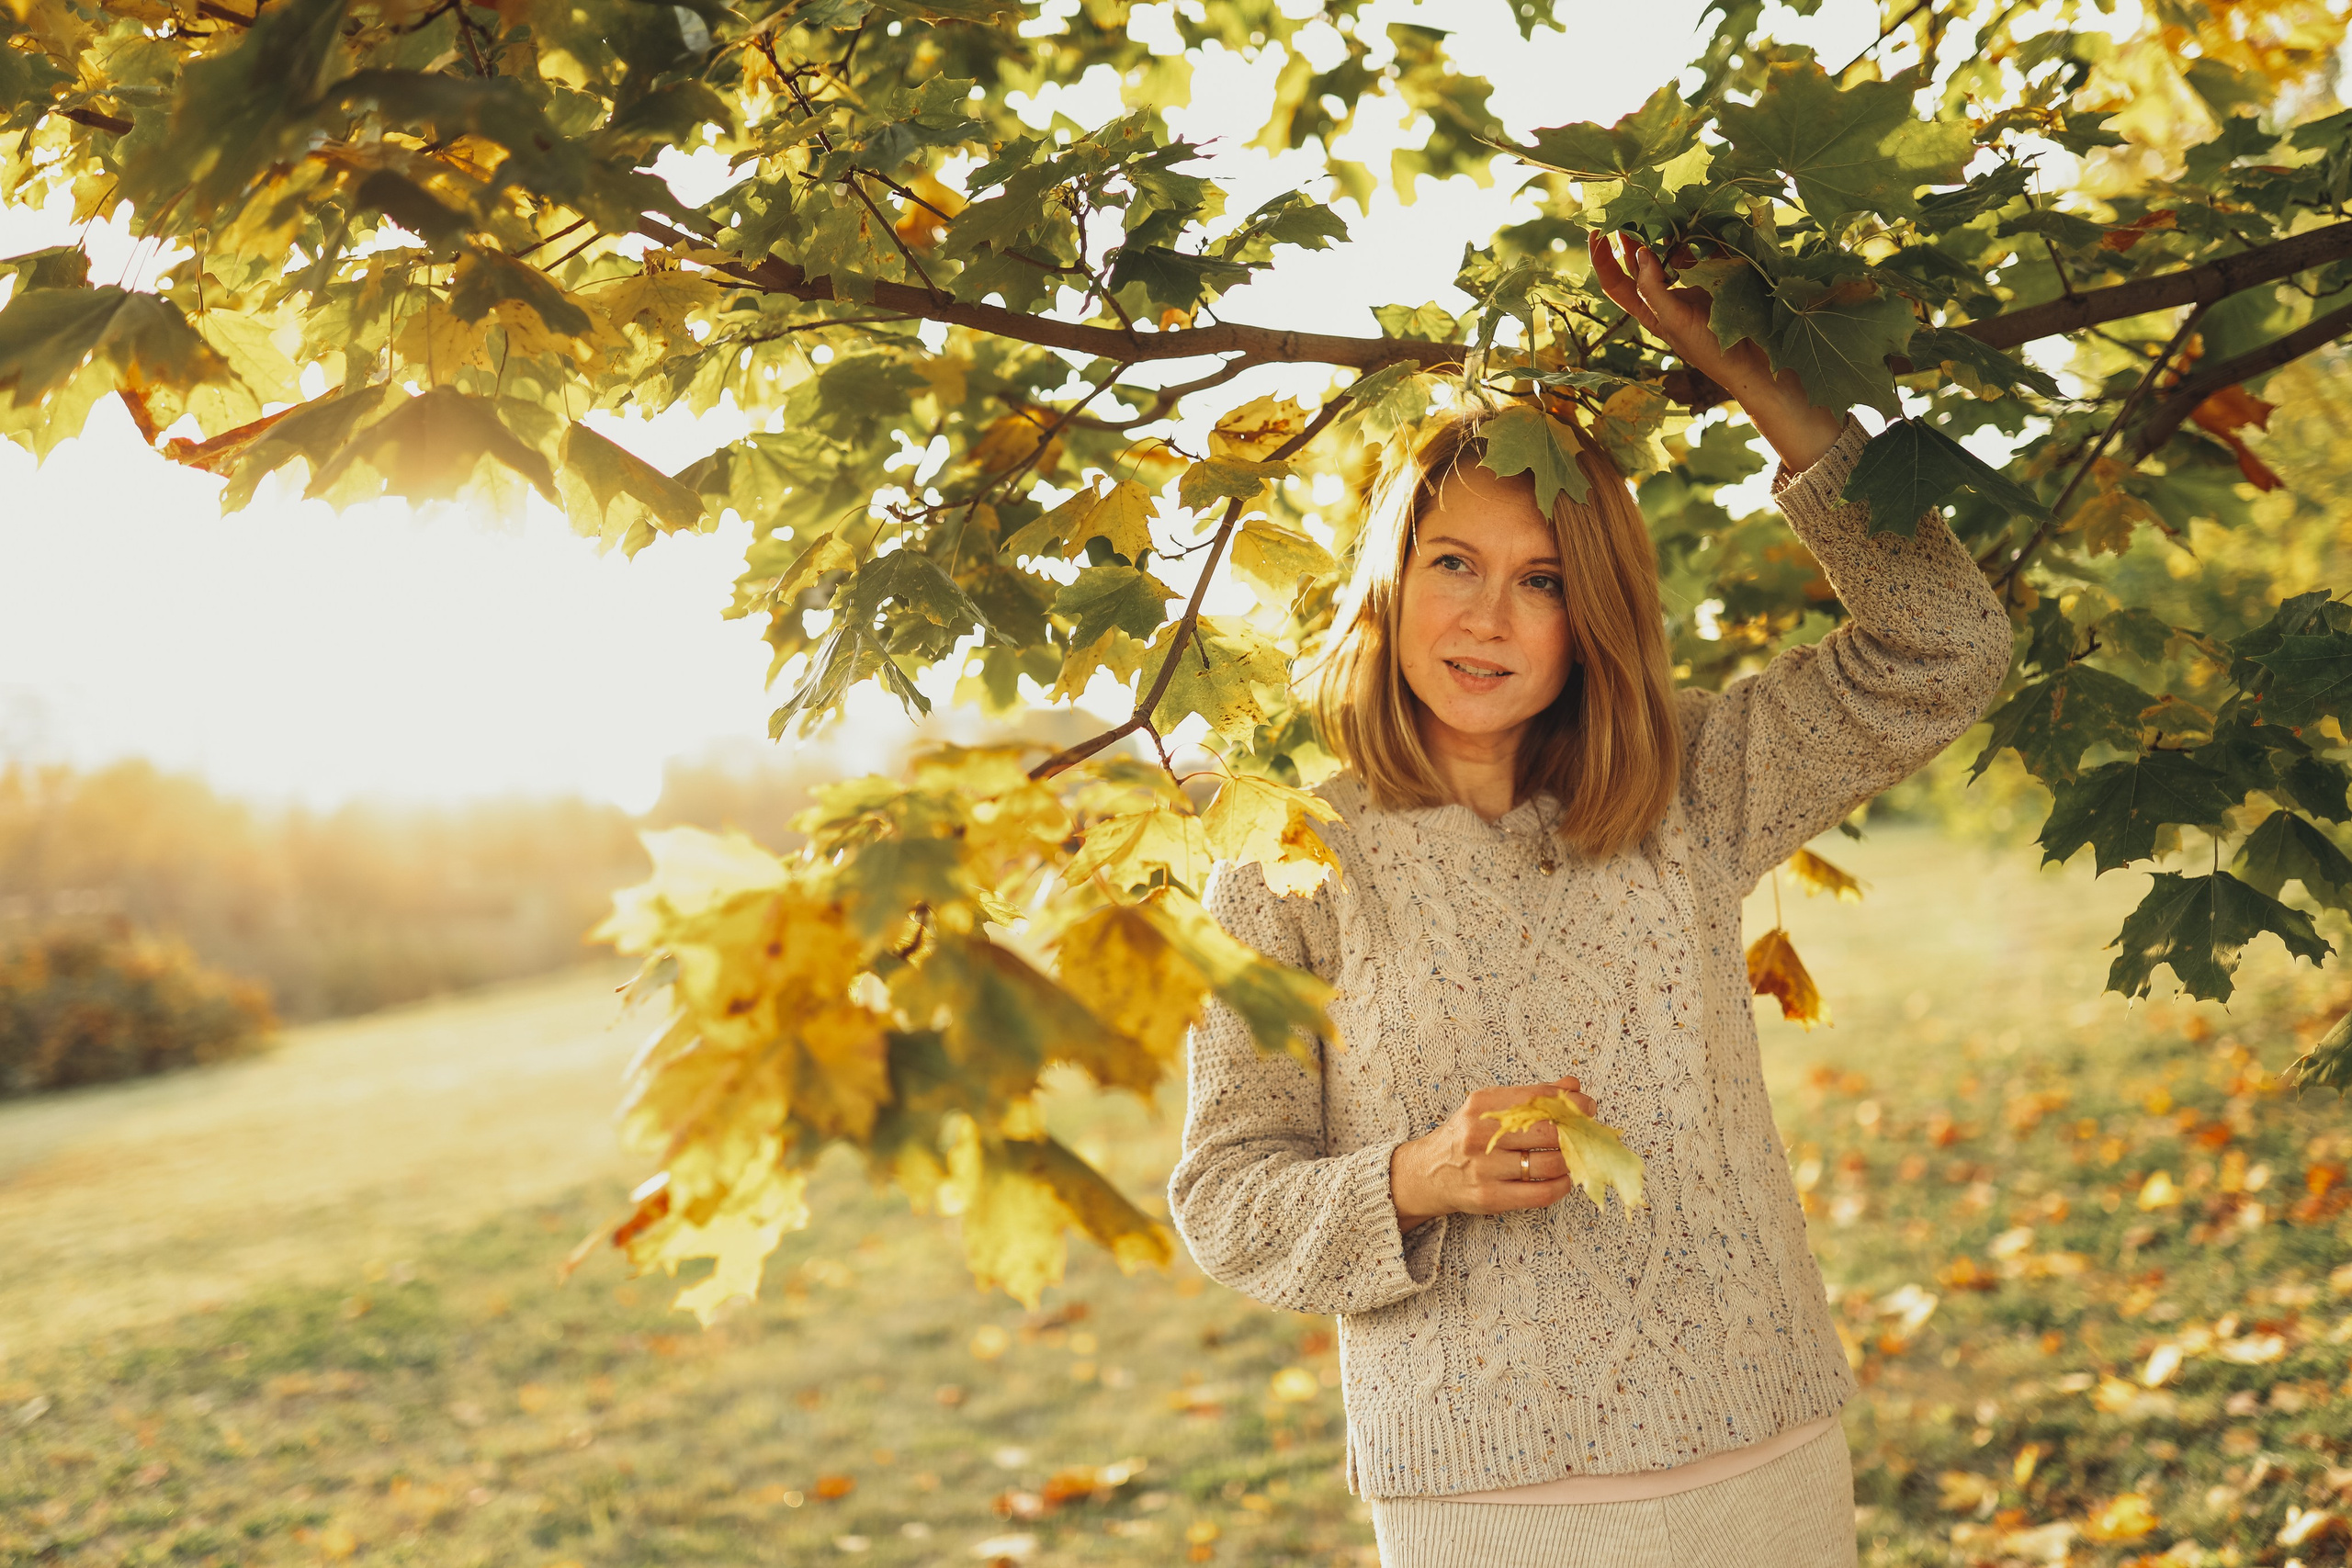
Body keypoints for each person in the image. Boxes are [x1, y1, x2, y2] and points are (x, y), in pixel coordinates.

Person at [1165, 231, 2013, 1567]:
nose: (1489, 619)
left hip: (1763, 1434)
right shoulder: (1289, 848)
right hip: (1487, 1489)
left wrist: (1763, 388)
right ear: (1390, 581)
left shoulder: (1686, 785)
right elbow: (1224, 1197)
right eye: (1454, 564)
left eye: (1543, 581)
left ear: (1592, 612)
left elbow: (1947, 647)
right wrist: (1418, 1177)